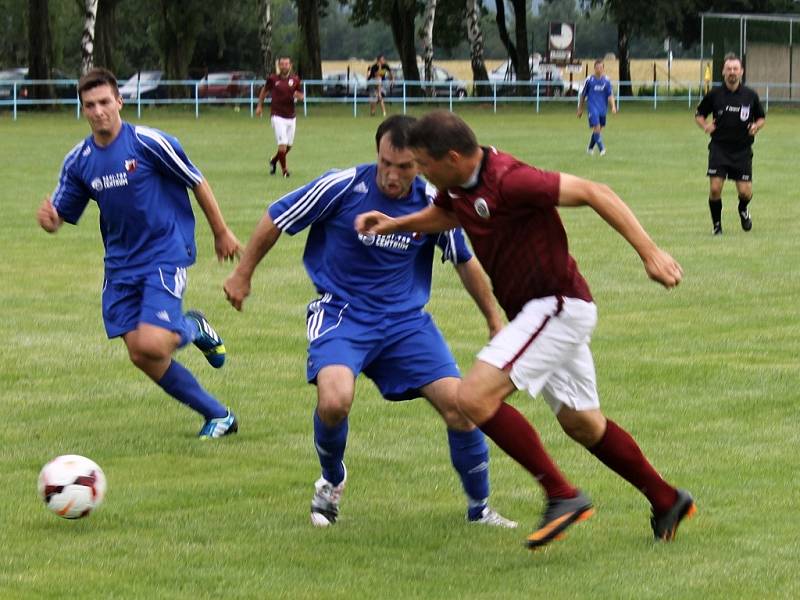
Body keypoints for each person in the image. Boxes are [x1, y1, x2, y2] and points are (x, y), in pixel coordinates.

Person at [355, 110, 696, 549]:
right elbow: (447, 215)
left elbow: (595, 191)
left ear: (453, 157)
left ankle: (562, 494)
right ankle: (667, 498)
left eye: (422, 164)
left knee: (472, 397)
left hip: (557, 305)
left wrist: (650, 253)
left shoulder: (511, 179)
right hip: (539, 314)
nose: (418, 173)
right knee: (582, 424)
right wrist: (396, 223)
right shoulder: (457, 186)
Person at [224, 115, 516, 529]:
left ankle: (480, 508)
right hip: (342, 315)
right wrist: (243, 274)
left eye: (404, 167)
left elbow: (464, 262)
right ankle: (331, 480)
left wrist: (493, 321)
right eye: (385, 164)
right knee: (334, 401)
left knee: (462, 408)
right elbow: (277, 217)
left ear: (420, 162)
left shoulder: (435, 201)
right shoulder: (342, 186)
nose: (392, 176)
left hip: (405, 325)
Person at [36, 68, 241, 439]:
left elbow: (196, 180)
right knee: (141, 355)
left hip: (165, 252)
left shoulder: (149, 143)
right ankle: (218, 415)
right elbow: (62, 213)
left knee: (152, 341)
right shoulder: (79, 159)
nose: (98, 111)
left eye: (104, 102)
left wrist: (221, 231)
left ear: (120, 102)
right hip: (120, 265)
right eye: (89, 105)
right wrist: (50, 221)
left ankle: (191, 327)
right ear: (82, 109)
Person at [695, 53, 765, 235]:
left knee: (745, 192)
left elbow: (761, 118)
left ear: (741, 71)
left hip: (742, 150)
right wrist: (705, 126)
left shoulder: (750, 95)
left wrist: (756, 127)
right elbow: (699, 114)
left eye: (735, 69)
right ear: (723, 72)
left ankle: (743, 209)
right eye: (729, 69)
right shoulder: (714, 94)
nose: (732, 72)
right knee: (715, 188)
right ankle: (717, 226)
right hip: (719, 148)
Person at [256, 56, 304, 178]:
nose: (284, 66)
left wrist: (299, 96)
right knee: (282, 144)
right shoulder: (273, 79)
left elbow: (301, 95)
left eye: (286, 64)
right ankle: (285, 171)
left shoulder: (296, 79)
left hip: (291, 116)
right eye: (281, 64)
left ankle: (273, 160)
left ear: (290, 65)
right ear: (279, 66)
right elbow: (264, 91)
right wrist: (259, 106)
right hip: (277, 116)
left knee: (288, 146)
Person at [577, 59, 617, 156]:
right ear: (594, 68)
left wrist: (613, 106)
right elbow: (583, 95)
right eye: (597, 67)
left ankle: (590, 148)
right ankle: (602, 149)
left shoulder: (606, 80)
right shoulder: (589, 80)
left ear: (603, 69)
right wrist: (580, 108)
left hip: (602, 109)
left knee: (598, 130)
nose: (599, 69)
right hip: (592, 108)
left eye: (601, 67)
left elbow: (610, 95)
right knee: (597, 128)